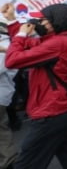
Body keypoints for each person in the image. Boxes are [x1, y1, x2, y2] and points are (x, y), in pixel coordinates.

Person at [4, 4, 67, 168]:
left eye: (43, 20)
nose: (39, 23)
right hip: (63, 108)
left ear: (55, 22)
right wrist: (13, 22)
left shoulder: (57, 44)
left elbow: (11, 61)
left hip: (51, 111)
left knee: (26, 163)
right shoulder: (66, 38)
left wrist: (21, 34)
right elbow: (32, 44)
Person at [0, 19, 17, 169]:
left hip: (1, 93)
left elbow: (3, 67)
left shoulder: (5, 44)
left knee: (2, 130)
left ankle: (8, 161)